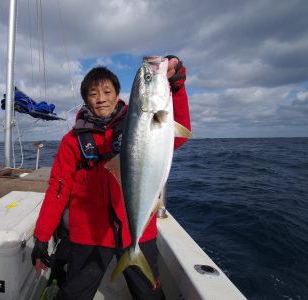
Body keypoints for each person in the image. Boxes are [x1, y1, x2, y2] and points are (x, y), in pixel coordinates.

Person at [31, 56, 191, 299]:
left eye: (107, 91)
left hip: (135, 230)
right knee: (73, 294)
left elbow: (176, 135)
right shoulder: (72, 141)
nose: (101, 98)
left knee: (149, 295)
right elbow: (58, 188)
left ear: (118, 94)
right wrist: (42, 235)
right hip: (89, 233)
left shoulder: (137, 125)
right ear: (85, 99)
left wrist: (176, 87)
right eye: (94, 93)